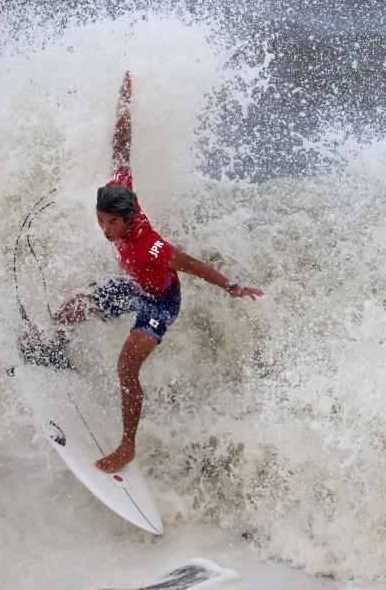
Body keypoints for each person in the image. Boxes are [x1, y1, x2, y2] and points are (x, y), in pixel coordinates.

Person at [45, 72, 263, 474]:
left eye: (112, 224)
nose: (106, 230)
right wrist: (124, 103)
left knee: (127, 367)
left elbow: (192, 264)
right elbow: (121, 148)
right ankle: (54, 347)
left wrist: (231, 286)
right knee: (68, 311)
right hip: (131, 286)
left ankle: (127, 446)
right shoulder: (119, 189)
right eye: (101, 221)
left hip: (160, 301)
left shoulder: (153, 246)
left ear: (128, 218)